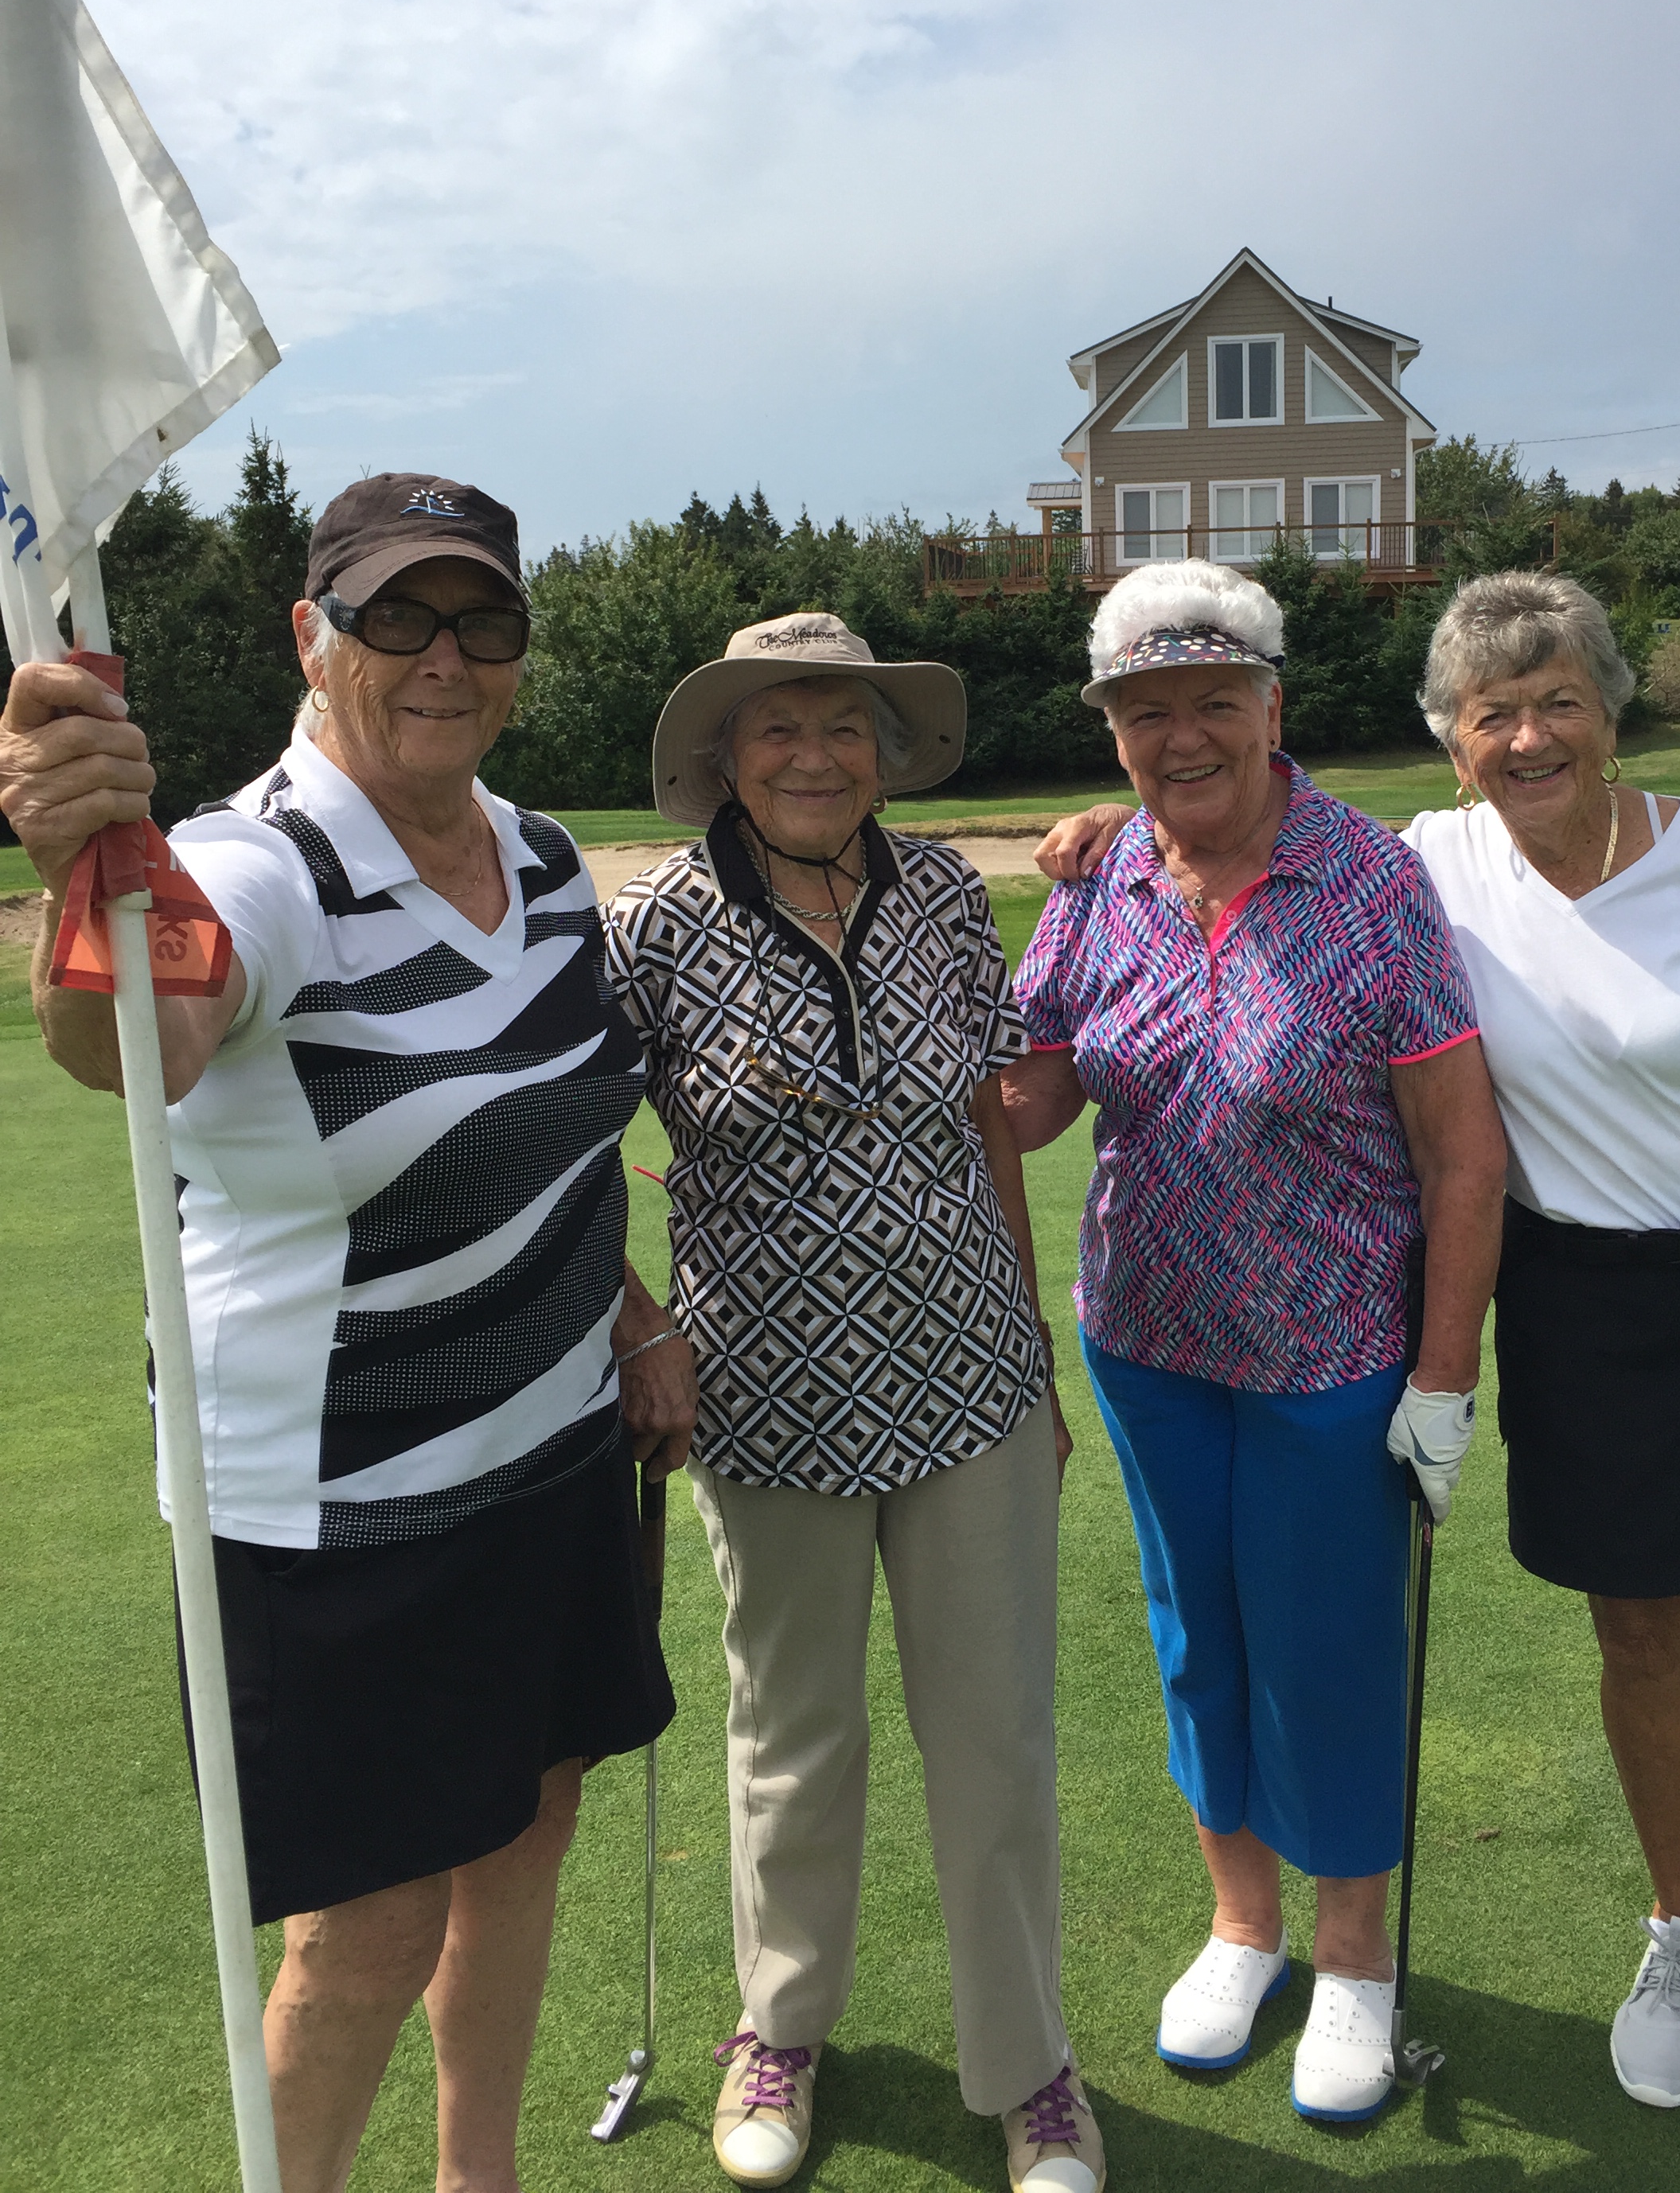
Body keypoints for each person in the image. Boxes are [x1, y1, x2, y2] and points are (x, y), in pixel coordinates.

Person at [1045, 566, 1680, 2117]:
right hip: (1585, 1301)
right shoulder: (1426, 865)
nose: (1529, 738)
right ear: (1452, 745)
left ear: (1612, 715)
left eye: (1558, 703)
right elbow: (1211, 820)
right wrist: (1090, 830)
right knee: (1641, 1639)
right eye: (1492, 714)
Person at [0, 474, 690, 2193]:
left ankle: (479, 2178)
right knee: (370, 1931)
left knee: (528, 1833)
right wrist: (85, 870)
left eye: (483, 619)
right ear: (314, 637)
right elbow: (143, 1036)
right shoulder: (257, 864)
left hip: (547, 1451)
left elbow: (553, 1131)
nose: (445, 656)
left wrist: (628, 1320)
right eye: (397, 617)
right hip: (338, 1508)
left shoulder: (541, 857)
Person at [601, 611, 1104, 2193]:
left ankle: (1029, 2069)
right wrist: (639, 1326)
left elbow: (987, 1123)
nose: (814, 755)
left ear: (887, 756)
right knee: (792, 1735)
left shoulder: (945, 895)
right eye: (780, 727)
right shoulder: (657, 922)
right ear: (727, 755)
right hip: (765, 1401)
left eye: (844, 727)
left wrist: (1032, 1350)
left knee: (996, 1739)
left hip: (970, 1382)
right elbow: (570, 1147)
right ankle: (780, 2030)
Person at [1005, 559, 1507, 2124]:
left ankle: (1354, 1953)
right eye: (1145, 711)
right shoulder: (1101, 882)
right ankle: (1243, 1923)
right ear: (1113, 731)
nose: (1182, 737)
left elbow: (1463, 1156)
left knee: (1328, 1648)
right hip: (1148, 1339)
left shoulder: (1369, 880)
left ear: (1271, 705)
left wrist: (1444, 1375)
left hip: (1331, 1352)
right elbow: (1034, 1094)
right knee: (1194, 1631)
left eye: (1213, 701)